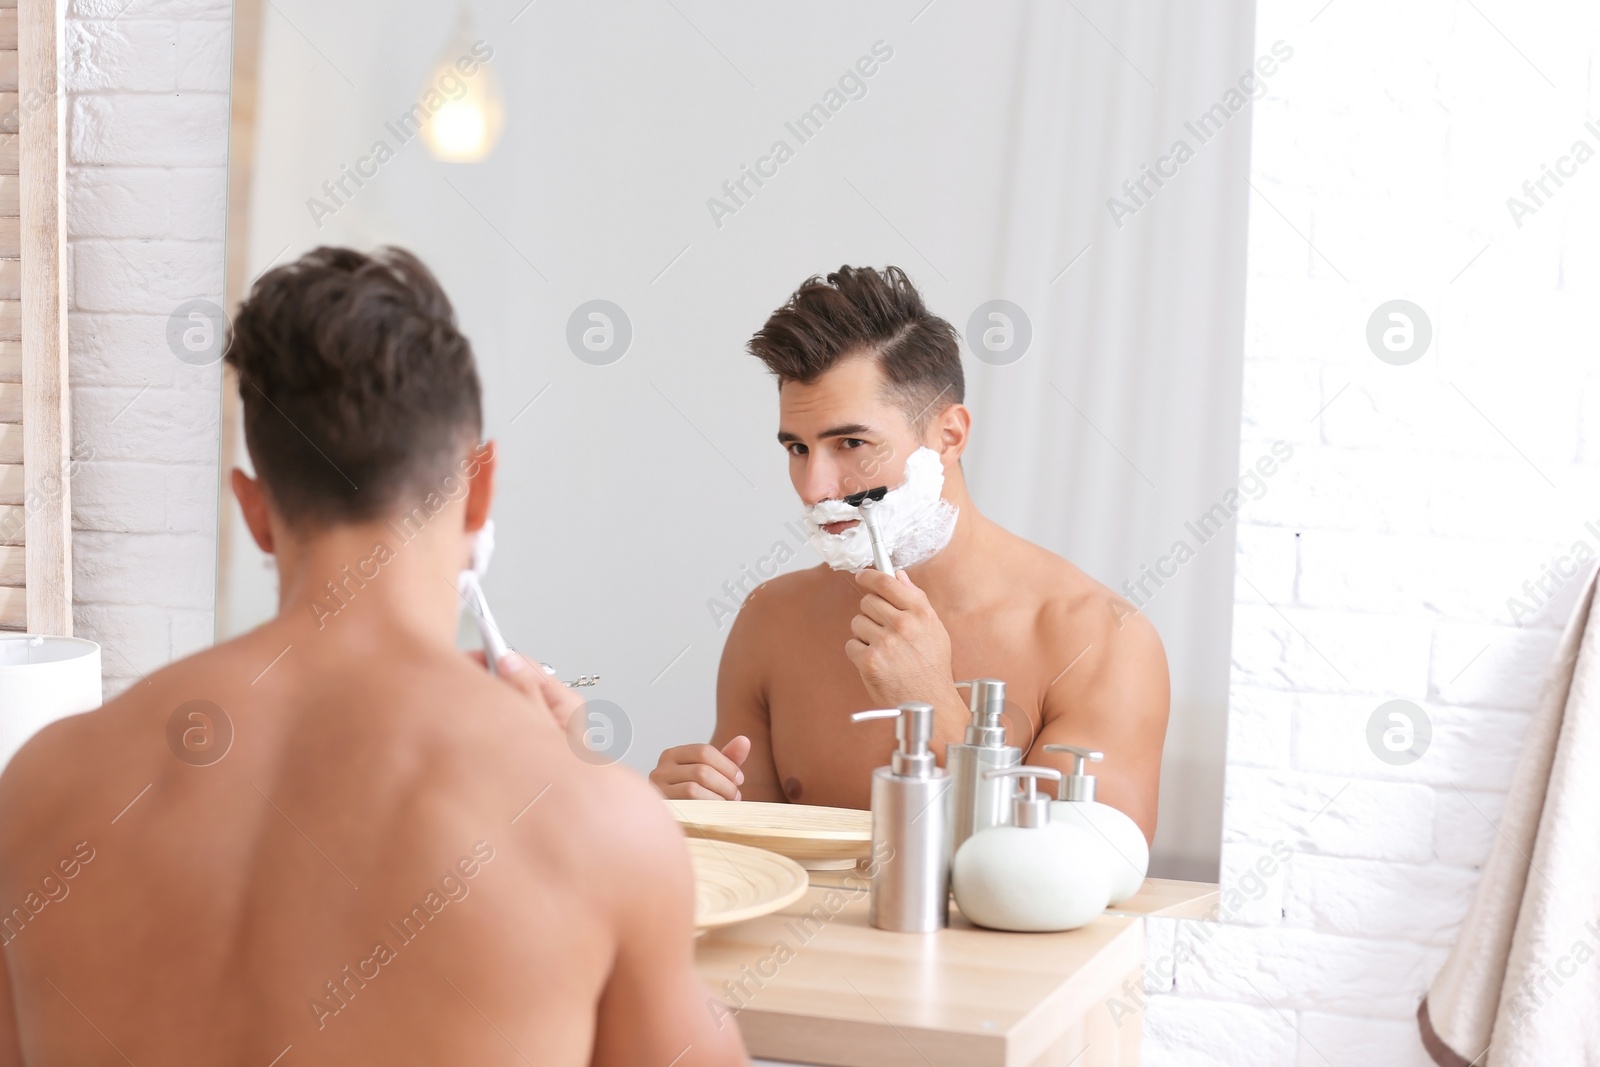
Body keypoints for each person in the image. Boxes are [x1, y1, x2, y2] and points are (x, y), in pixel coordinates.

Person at [0, 248, 746, 1066]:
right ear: (480, 486)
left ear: (253, 508)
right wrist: (559, 773)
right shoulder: (593, 825)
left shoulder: (43, 785)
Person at [651, 266, 1170, 843]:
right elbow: (757, 872)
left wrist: (936, 711)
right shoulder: (771, 619)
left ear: (948, 436)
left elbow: (1097, 867)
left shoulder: (1099, 638)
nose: (814, 486)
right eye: (798, 448)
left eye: (851, 443)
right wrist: (684, 815)